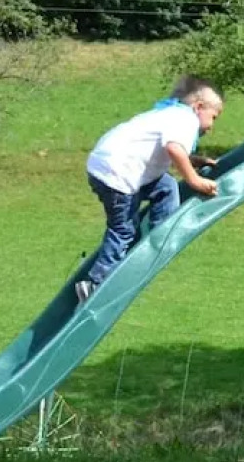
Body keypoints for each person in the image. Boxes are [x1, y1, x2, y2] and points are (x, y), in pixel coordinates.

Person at [77, 76, 224, 301]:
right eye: (213, 117)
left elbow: (165, 149)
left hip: (110, 165)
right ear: (198, 107)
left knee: (166, 186)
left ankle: (160, 232)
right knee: (124, 229)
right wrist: (195, 180)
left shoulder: (169, 113)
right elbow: (174, 149)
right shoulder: (186, 119)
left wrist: (194, 161)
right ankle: (95, 284)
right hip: (118, 173)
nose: (212, 126)